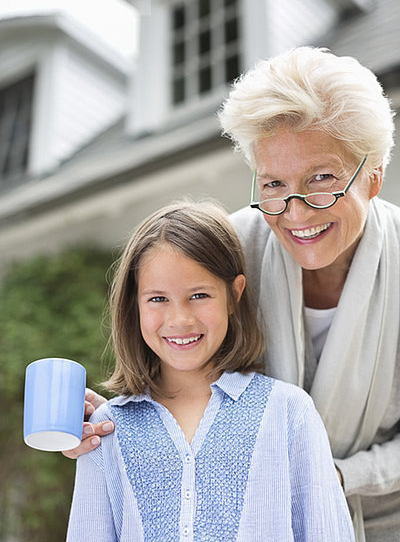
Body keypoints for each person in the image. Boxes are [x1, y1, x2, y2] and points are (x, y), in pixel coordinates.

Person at [67, 47, 400, 542]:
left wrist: (332, 477)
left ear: (372, 178)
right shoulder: (229, 252)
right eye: (273, 184)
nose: (297, 212)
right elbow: (179, 361)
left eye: (322, 179)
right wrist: (103, 425)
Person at [66, 201, 354, 541]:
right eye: (158, 299)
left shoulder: (288, 412)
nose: (180, 319)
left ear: (234, 296)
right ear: (134, 304)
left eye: (199, 295)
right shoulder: (106, 431)